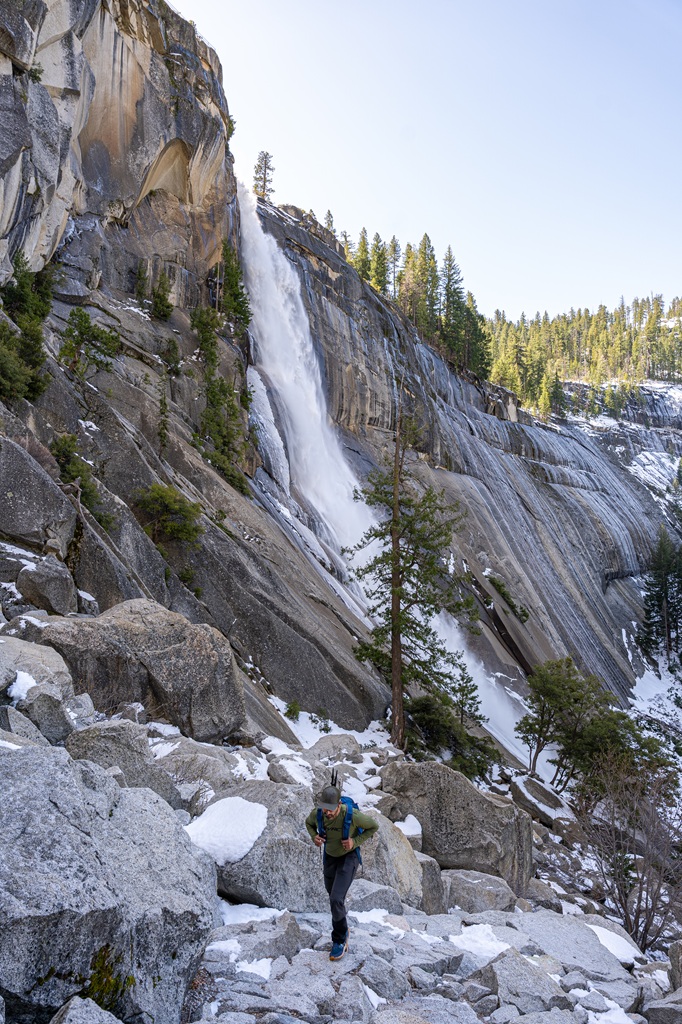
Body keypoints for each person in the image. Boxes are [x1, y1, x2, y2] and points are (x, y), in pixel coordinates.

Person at [305, 782, 378, 961]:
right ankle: (343, 928)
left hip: (348, 858)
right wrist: (314, 836)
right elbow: (308, 823)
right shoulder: (318, 814)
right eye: (325, 809)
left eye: (331, 809)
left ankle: (339, 940)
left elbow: (373, 826)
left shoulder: (352, 816)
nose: (327, 813)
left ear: (339, 805)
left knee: (336, 899)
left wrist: (355, 841)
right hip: (329, 857)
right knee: (333, 897)